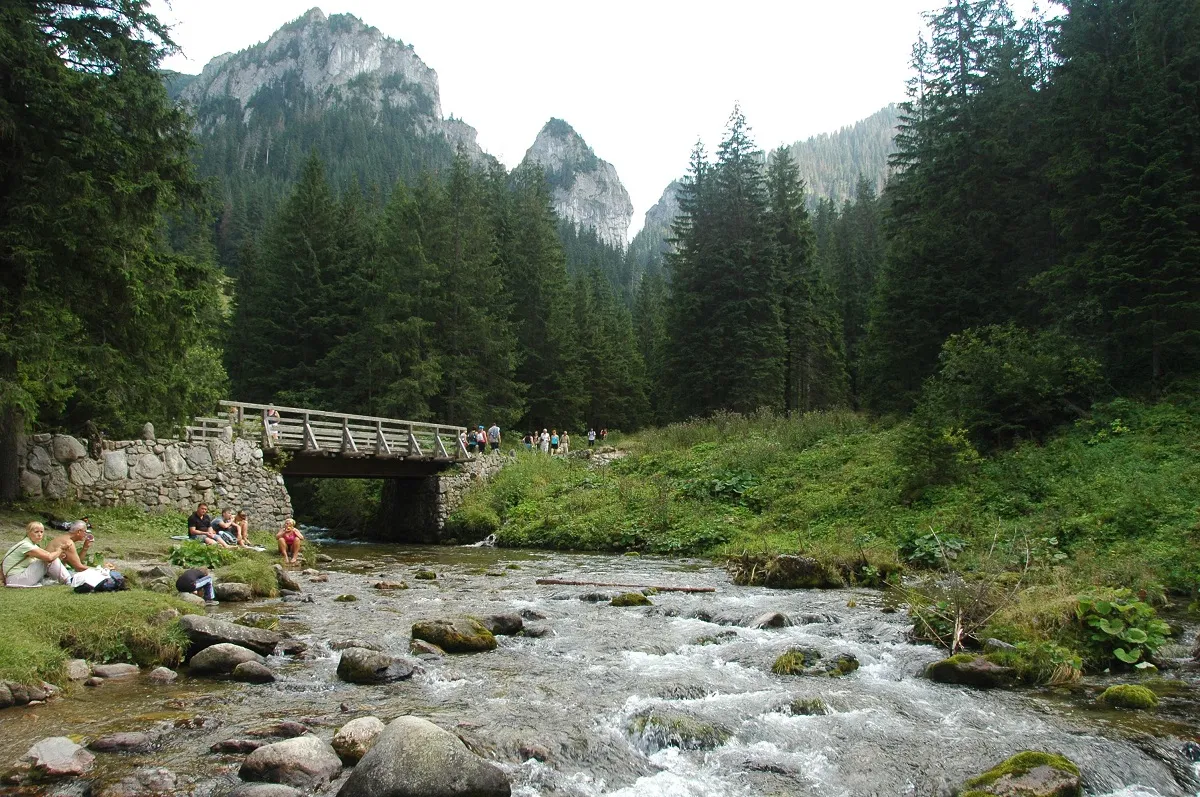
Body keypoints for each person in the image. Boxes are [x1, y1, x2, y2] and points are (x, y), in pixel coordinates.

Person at [2, 522, 71, 587]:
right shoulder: (25, 545)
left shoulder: (30, 544)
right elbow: (49, 557)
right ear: (28, 533)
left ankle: (68, 579)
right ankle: (69, 581)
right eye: (36, 532)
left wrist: (58, 554)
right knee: (48, 559)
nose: (40, 534)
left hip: (14, 579)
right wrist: (60, 550)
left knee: (51, 558)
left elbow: (48, 555)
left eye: (41, 532)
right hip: (16, 580)